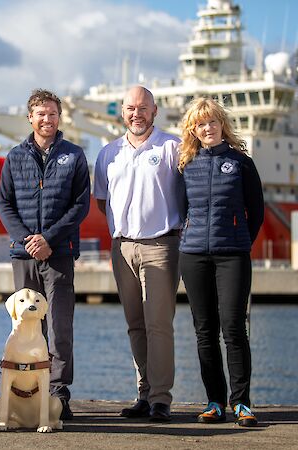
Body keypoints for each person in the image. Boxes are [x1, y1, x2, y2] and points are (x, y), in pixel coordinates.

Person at [0, 88, 91, 421]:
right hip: (23, 255)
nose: (46, 119)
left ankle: (57, 395)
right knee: (24, 326)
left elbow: (80, 205)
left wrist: (48, 238)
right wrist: (28, 240)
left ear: (59, 117)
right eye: (40, 113)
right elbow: (4, 205)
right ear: (30, 117)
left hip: (60, 253)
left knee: (60, 327)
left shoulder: (74, 156)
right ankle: (23, 393)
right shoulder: (14, 157)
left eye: (52, 113)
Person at [93, 85, 184, 422]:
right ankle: (144, 393)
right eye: (131, 108)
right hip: (123, 247)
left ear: (155, 111)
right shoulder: (107, 154)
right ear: (122, 111)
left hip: (161, 244)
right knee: (135, 325)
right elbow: (104, 201)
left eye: (143, 108)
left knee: (159, 324)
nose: (137, 113)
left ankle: (161, 398)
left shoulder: (172, 146)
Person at [176, 97, 264, 427]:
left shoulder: (241, 163)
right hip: (194, 255)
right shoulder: (186, 164)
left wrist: (238, 239)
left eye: (212, 122)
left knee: (234, 328)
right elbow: (182, 208)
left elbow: (256, 212)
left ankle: (241, 402)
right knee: (204, 331)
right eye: (200, 124)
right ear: (193, 130)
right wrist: (191, 237)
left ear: (222, 125)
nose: (207, 128)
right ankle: (215, 401)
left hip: (233, 255)